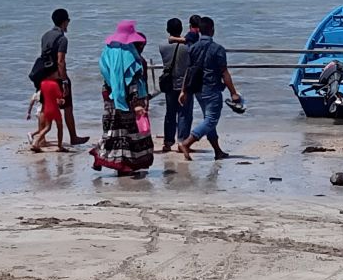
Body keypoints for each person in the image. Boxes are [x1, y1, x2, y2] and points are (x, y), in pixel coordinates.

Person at [90, 20, 155, 175]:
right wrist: (137, 102)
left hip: (109, 94)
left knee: (113, 129)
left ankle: (102, 156)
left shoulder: (107, 51)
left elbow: (108, 74)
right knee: (129, 133)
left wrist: (114, 89)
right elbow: (131, 78)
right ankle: (125, 165)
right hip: (128, 99)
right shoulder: (129, 54)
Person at [177, 16, 241, 161]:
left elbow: (188, 71)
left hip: (198, 89)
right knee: (211, 120)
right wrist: (233, 93)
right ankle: (187, 143)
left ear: (199, 31)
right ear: (212, 30)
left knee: (208, 119)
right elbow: (224, 72)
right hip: (212, 88)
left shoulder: (192, 48)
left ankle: (218, 151)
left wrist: (183, 91)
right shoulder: (218, 49)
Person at [40, 8, 89, 145]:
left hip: (45, 77)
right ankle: (73, 137)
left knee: (45, 106)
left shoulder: (45, 36)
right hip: (57, 77)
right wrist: (65, 80)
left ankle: (42, 138)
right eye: (68, 21)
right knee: (67, 107)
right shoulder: (62, 39)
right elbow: (60, 61)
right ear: (64, 22)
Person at [158, 18, 192, 152]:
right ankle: (182, 141)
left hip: (169, 83)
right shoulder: (187, 46)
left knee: (170, 113)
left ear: (167, 30)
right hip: (185, 83)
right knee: (185, 113)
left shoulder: (162, 46)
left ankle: (168, 141)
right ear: (181, 29)